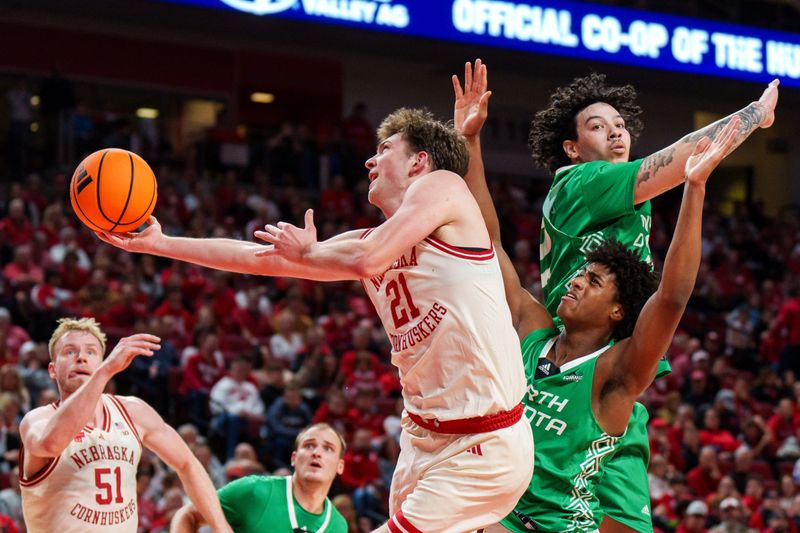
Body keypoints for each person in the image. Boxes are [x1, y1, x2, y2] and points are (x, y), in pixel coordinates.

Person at [98, 107, 534, 532]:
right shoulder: (363, 241)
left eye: (384, 148)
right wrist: (161, 243)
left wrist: (309, 253)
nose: (370, 159)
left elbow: (368, 259)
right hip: (423, 438)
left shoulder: (443, 186)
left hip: (483, 440)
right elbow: (259, 261)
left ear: (419, 161)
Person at [453, 59, 778, 533]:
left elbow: (670, 296)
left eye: (621, 124)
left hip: (605, 382)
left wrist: (470, 143)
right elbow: (488, 245)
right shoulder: (586, 179)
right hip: (593, 365)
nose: (616, 133)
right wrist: (752, 117)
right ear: (572, 148)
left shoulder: (609, 359)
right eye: (597, 125)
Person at [18, 317, 232, 532]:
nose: (81, 357)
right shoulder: (37, 420)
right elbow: (51, 444)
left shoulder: (133, 412)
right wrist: (104, 372)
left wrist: (222, 528)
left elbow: (188, 464)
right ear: (53, 370)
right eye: (70, 352)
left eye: (91, 352)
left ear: (100, 361)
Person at [171, 422, 349, 532]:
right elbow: (188, 515)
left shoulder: (338, 526)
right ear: (294, 458)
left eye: (328, 449)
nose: (317, 453)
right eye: (309, 445)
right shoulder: (255, 491)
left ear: (340, 466)